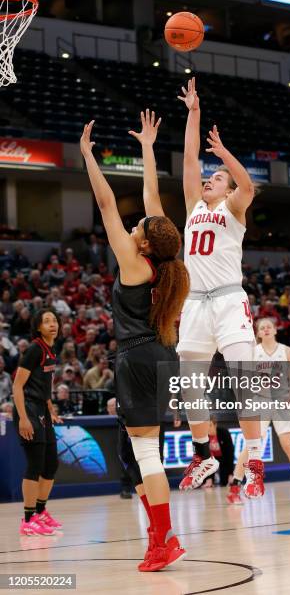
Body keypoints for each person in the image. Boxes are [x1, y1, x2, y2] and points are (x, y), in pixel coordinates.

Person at [80, 110, 190, 572]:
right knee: (139, 451)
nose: (134, 227)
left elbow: (107, 206)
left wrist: (88, 155)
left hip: (138, 356)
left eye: (139, 229)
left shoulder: (134, 264)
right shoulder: (165, 263)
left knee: (146, 454)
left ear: (143, 244)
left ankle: (164, 540)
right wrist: (147, 148)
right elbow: (152, 202)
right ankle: (159, 532)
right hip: (161, 354)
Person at [176, 77, 264, 497]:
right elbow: (189, 160)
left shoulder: (232, 208)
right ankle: (203, 454)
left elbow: (246, 186)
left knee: (245, 379)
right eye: (210, 178)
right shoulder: (195, 205)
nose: (209, 179)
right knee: (188, 381)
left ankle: (255, 461)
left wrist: (225, 155)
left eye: (217, 178)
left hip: (229, 299)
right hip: (194, 303)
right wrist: (193, 112)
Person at [227, 318, 290, 504]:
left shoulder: (287, 351)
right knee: (251, 446)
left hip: (281, 402)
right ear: (258, 333)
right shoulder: (252, 352)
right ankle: (234, 488)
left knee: (288, 444)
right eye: (262, 328)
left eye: (269, 327)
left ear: (275, 330)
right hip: (260, 402)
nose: (265, 329)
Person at [12, 308, 64, 536]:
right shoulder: (34, 349)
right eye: (47, 321)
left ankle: (40, 512)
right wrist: (23, 418)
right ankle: (27, 519)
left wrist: (51, 409)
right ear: (38, 327)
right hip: (29, 410)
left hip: (42, 410)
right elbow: (17, 386)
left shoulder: (51, 350)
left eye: (54, 320)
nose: (52, 324)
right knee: (35, 465)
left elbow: (44, 384)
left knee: (51, 464)